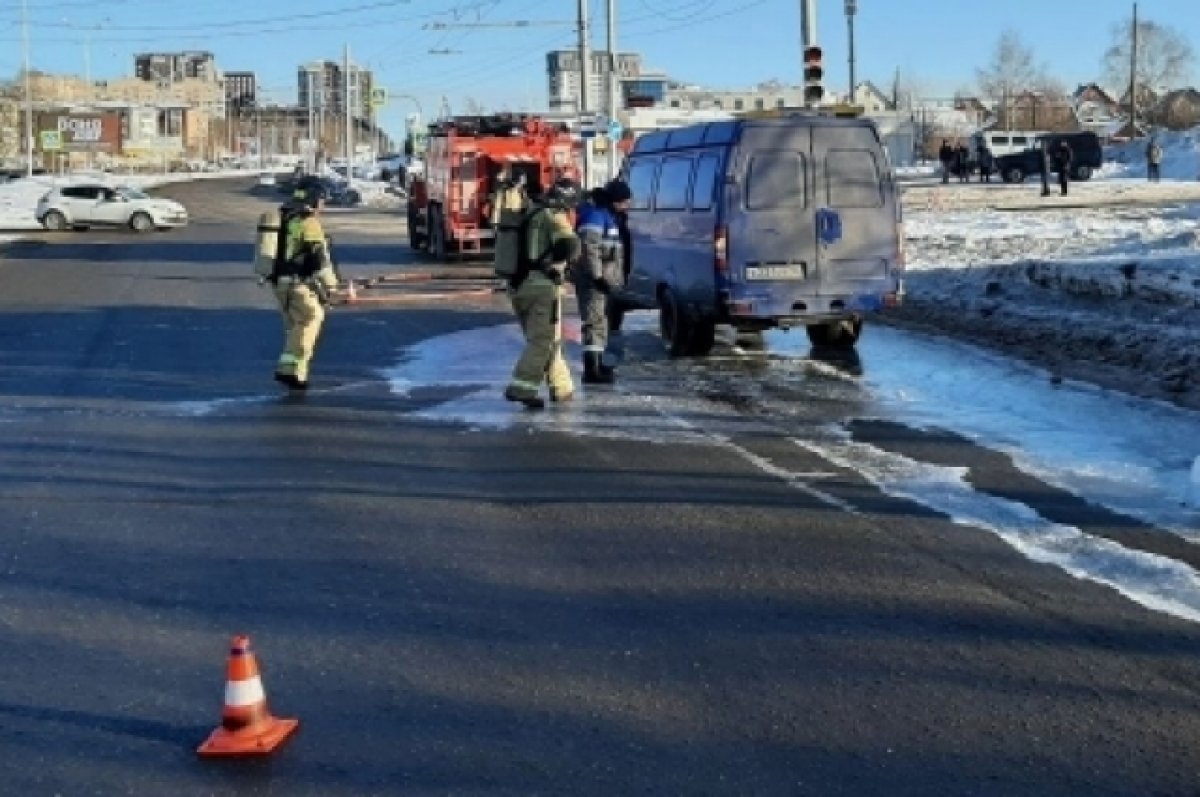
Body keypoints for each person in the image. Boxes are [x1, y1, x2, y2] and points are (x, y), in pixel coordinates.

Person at [503, 177, 581, 410]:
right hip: (542, 287)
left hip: (518, 286)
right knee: (543, 341)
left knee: (550, 339)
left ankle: (562, 388)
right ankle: (521, 388)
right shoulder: (553, 216)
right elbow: (570, 245)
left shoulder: (530, 212)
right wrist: (559, 262)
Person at [263, 183, 341, 390]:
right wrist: (332, 287)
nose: (322, 206)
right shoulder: (309, 222)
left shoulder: (284, 215)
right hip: (297, 283)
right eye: (322, 201)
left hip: (279, 283)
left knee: (295, 326)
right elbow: (319, 260)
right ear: (313, 200)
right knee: (311, 318)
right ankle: (289, 370)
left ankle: (298, 375)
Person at [573, 178, 633, 384]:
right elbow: (590, 249)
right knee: (594, 322)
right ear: (615, 200)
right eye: (625, 201)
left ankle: (598, 365)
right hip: (593, 280)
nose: (628, 206)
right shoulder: (595, 216)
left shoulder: (610, 216)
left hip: (605, 280)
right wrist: (597, 277)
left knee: (601, 322)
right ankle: (592, 370)